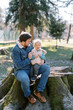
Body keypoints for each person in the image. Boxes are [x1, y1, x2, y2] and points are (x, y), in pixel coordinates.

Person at [11, 31, 50, 104]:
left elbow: (38, 52)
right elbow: (18, 65)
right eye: (28, 41)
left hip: (32, 68)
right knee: (24, 78)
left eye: (30, 41)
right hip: (21, 70)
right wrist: (29, 59)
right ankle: (28, 95)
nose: (30, 43)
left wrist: (42, 60)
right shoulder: (15, 50)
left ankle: (38, 91)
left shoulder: (30, 46)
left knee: (46, 68)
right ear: (23, 42)